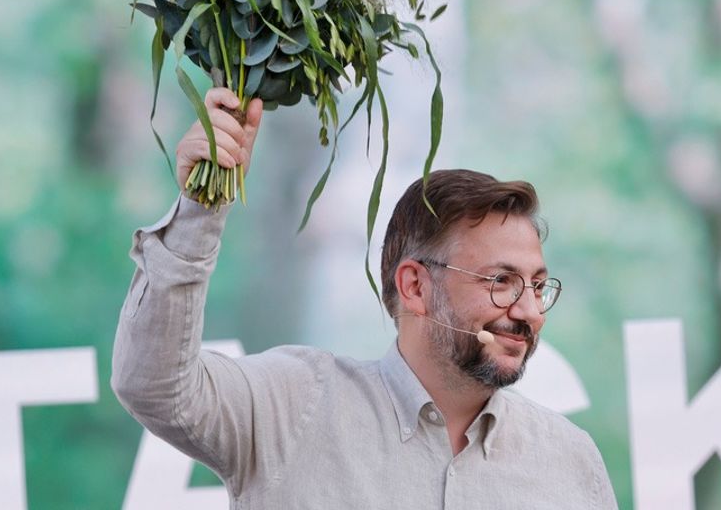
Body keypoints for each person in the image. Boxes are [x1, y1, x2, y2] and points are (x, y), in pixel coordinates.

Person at [112, 87, 618, 508]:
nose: (528, 311)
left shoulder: (570, 461)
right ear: (415, 287)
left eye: (535, 285)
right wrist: (200, 209)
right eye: (501, 281)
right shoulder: (291, 408)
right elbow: (154, 386)